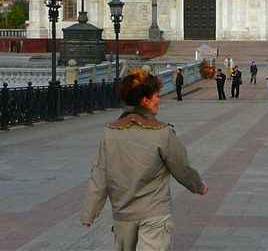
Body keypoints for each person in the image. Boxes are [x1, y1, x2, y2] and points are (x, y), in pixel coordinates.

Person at [82, 69, 208, 250]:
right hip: (154, 215)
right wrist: (199, 186)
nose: (160, 100)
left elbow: (99, 175)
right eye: (156, 95)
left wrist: (89, 212)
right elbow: (182, 168)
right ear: (145, 100)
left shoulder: (110, 133)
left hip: (122, 216)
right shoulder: (162, 132)